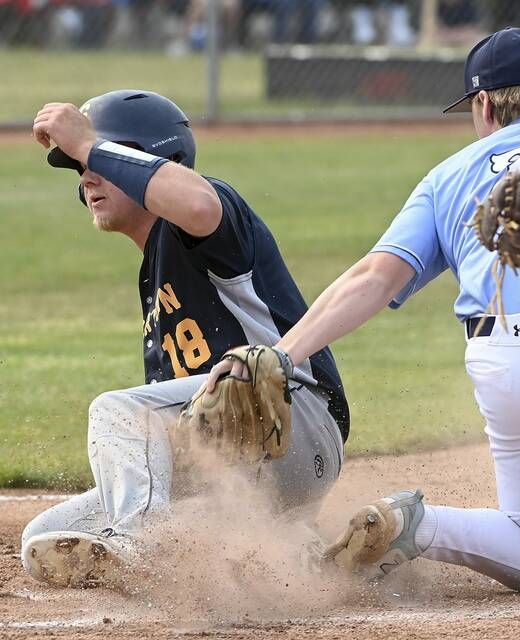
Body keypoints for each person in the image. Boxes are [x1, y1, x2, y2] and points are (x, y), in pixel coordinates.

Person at [208, 26, 520, 593]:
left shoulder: (447, 178)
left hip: (504, 372)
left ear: (484, 104)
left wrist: (284, 355)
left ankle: (415, 525)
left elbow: (373, 278)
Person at [22, 89, 349, 589]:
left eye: (98, 158)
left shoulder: (211, 218)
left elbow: (195, 202)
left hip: (291, 418)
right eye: (80, 165)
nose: (86, 174)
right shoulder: (154, 276)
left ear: (157, 159)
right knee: (48, 536)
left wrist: (88, 142)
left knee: (120, 412)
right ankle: (296, 552)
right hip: (257, 476)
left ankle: (142, 543)